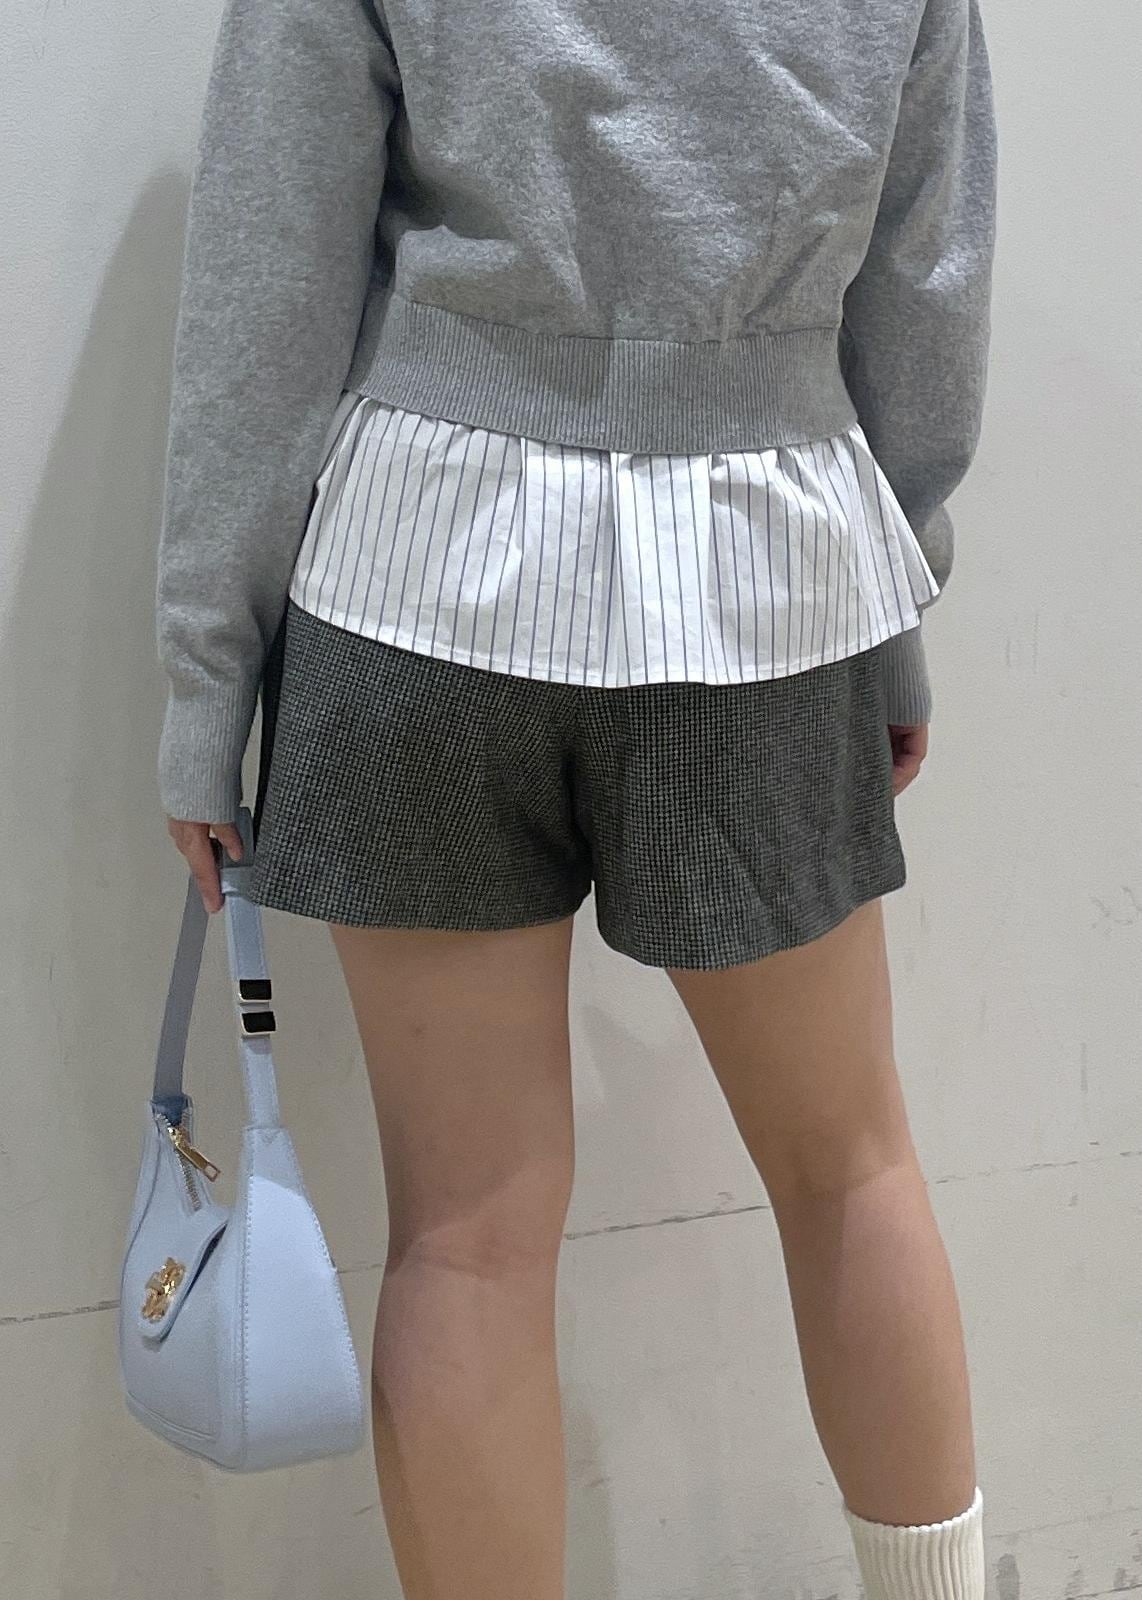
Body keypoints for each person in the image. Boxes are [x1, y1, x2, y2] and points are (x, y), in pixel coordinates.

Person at [155, 0, 998, 1592]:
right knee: (849, 1172)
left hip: (422, 582)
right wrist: (895, 605)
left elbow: (268, 284)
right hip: (769, 588)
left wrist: (209, 680)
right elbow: (924, 278)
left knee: (463, 1235)